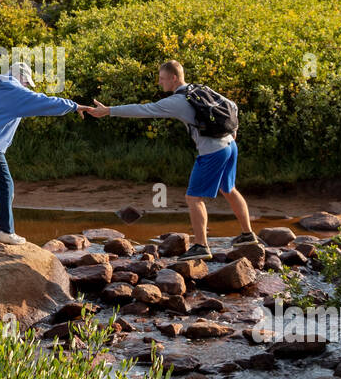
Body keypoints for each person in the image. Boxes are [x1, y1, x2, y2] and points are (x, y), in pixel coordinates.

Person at [86, 59, 256, 260]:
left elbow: (143, 110)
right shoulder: (199, 89)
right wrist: (233, 131)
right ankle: (248, 235)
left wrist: (108, 111)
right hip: (230, 145)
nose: (159, 83)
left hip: (213, 151)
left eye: (162, 78)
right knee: (228, 189)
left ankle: (201, 246)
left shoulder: (176, 102)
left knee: (193, 198)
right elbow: (232, 106)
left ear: (173, 78)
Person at [0, 61, 88, 244]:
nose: (27, 85)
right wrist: (74, 106)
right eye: (27, 82)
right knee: (6, 185)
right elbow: (45, 102)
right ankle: (6, 231)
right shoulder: (16, 91)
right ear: (21, 78)